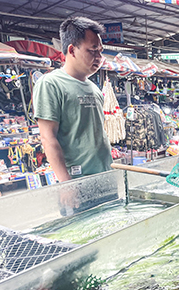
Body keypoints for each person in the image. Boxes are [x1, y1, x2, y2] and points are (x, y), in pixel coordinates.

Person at [33, 17, 112, 182]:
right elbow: (48, 138)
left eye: (100, 51)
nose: (99, 56)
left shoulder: (94, 88)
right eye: (93, 50)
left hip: (105, 176)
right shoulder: (51, 84)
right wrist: (66, 185)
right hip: (77, 181)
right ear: (72, 50)